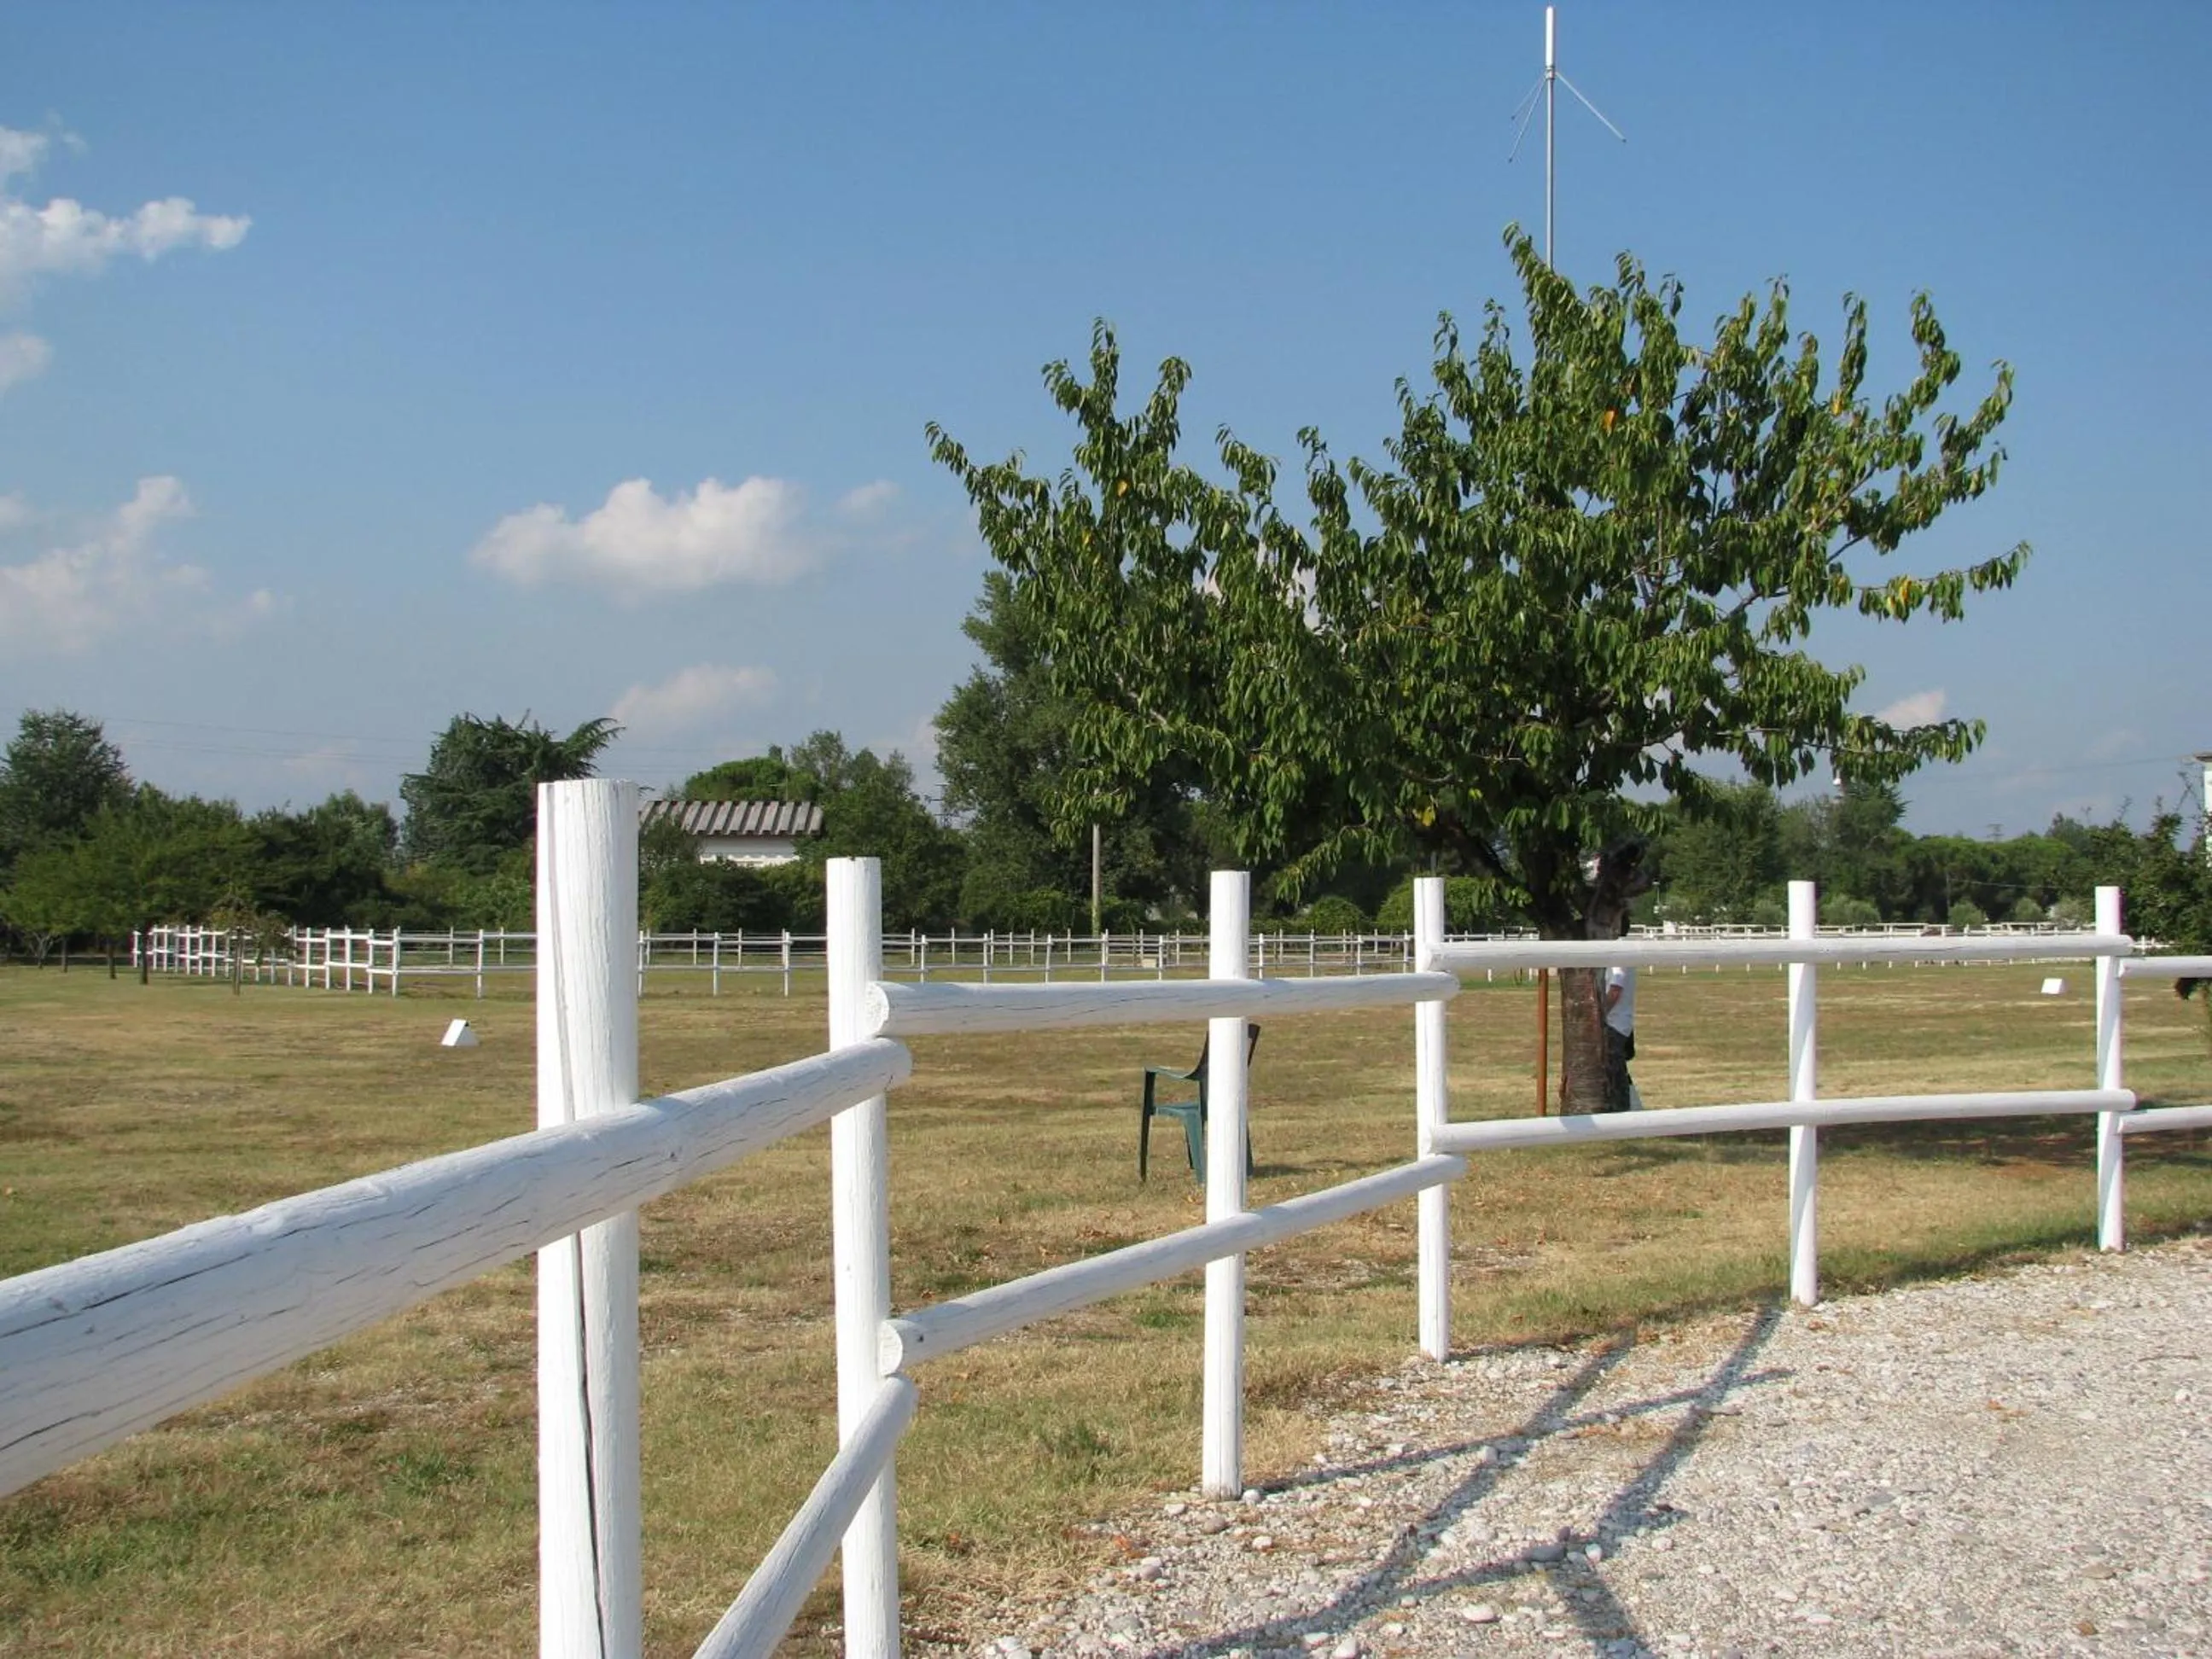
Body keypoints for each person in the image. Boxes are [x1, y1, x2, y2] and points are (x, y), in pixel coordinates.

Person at [1602, 958, 1638, 1112]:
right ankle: (1633, 1108)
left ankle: (1625, 1110)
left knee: (1615, 1074)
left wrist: (1600, 1014)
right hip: (1620, 1022)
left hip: (1614, 1023)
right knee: (1618, 1071)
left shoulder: (1618, 959)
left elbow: (1615, 990)